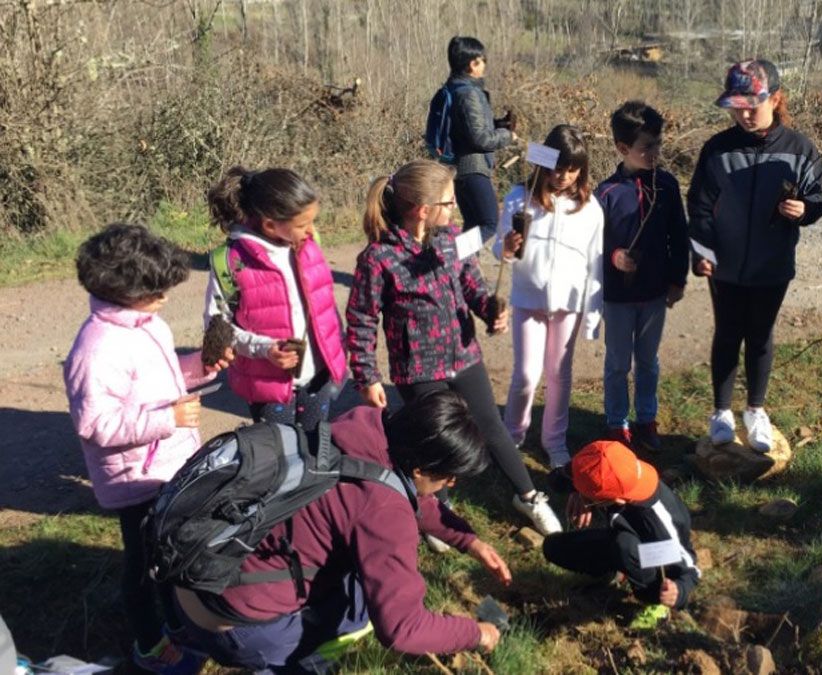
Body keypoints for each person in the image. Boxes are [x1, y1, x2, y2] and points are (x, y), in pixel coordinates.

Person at [173, 392, 514, 669]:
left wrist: (468, 541)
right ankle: (290, 663)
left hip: (192, 574)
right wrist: (476, 633)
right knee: (360, 608)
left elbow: (402, 485)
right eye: (448, 477)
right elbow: (402, 628)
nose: (451, 484)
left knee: (355, 576)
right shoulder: (384, 512)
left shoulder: (364, 426)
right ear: (422, 468)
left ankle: (181, 638)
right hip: (233, 628)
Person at [346, 159, 562, 535]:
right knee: (434, 442)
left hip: (463, 356)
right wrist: (367, 375)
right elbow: (361, 319)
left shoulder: (451, 239)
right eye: (448, 202)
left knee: (491, 427)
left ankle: (527, 496)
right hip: (417, 370)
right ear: (423, 210)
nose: (455, 208)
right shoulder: (378, 259)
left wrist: (489, 310)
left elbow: (472, 285)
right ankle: (437, 516)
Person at [64, 223, 231, 673]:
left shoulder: (146, 322)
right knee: (141, 566)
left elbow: (161, 376)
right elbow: (95, 424)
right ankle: (149, 643)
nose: (165, 298)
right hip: (134, 478)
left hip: (168, 466)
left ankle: (177, 623)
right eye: (156, 291)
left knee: (170, 552)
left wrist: (199, 366)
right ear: (123, 290)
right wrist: (166, 420)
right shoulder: (95, 350)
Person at [688, 59, 822, 452]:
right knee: (728, 332)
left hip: (773, 264)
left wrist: (805, 210)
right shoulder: (717, 149)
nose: (745, 114)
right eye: (737, 106)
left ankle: (755, 410)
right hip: (725, 266)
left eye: (752, 105)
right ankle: (720, 412)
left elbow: (818, 197)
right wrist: (700, 252)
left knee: (762, 336)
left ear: (776, 98)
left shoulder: (801, 149)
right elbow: (698, 206)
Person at [493, 124, 605, 480]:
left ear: (582, 171)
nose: (563, 177)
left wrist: (592, 315)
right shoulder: (518, 197)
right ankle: (512, 435)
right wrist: (506, 250)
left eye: (572, 170)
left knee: (559, 375)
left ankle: (554, 441)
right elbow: (500, 247)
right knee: (526, 374)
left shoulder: (588, 209)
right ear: (544, 163)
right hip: (528, 299)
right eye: (557, 167)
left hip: (568, 305)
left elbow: (595, 262)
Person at [204, 167, 347, 432]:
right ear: (270, 224)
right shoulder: (230, 262)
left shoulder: (307, 245)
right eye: (303, 225)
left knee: (316, 452)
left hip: (318, 379)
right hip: (267, 388)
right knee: (281, 458)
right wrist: (265, 349)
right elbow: (217, 326)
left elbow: (325, 306)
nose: (311, 231)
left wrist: (341, 352)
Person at [595, 101, 690, 451]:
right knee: (618, 362)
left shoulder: (666, 185)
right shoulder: (605, 193)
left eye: (658, 144)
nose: (655, 153)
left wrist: (677, 279)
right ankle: (617, 423)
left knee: (648, 361)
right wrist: (614, 257)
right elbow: (593, 247)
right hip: (618, 298)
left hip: (653, 293)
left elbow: (678, 235)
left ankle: (647, 418)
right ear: (623, 149)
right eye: (645, 147)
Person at [543, 440, 701, 629]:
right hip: (620, 538)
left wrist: (679, 591)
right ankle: (616, 572)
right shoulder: (605, 460)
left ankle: (654, 604)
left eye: (592, 500)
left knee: (624, 545)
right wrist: (580, 492)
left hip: (655, 558)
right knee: (553, 547)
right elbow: (558, 479)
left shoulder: (659, 519)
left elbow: (691, 568)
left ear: (615, 500)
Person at [443, 36, 516, 244]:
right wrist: (508, 136)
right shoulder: (468, 94)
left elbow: (471, 126)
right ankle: (453, 260)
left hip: (460, 167)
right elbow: (480, 138)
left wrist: (499, 124)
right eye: (482, 60)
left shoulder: (455, 88)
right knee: (489, 222)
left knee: (474, 224)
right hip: (472, 168)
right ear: (472, 64)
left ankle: (462, 271)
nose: (485, 65)